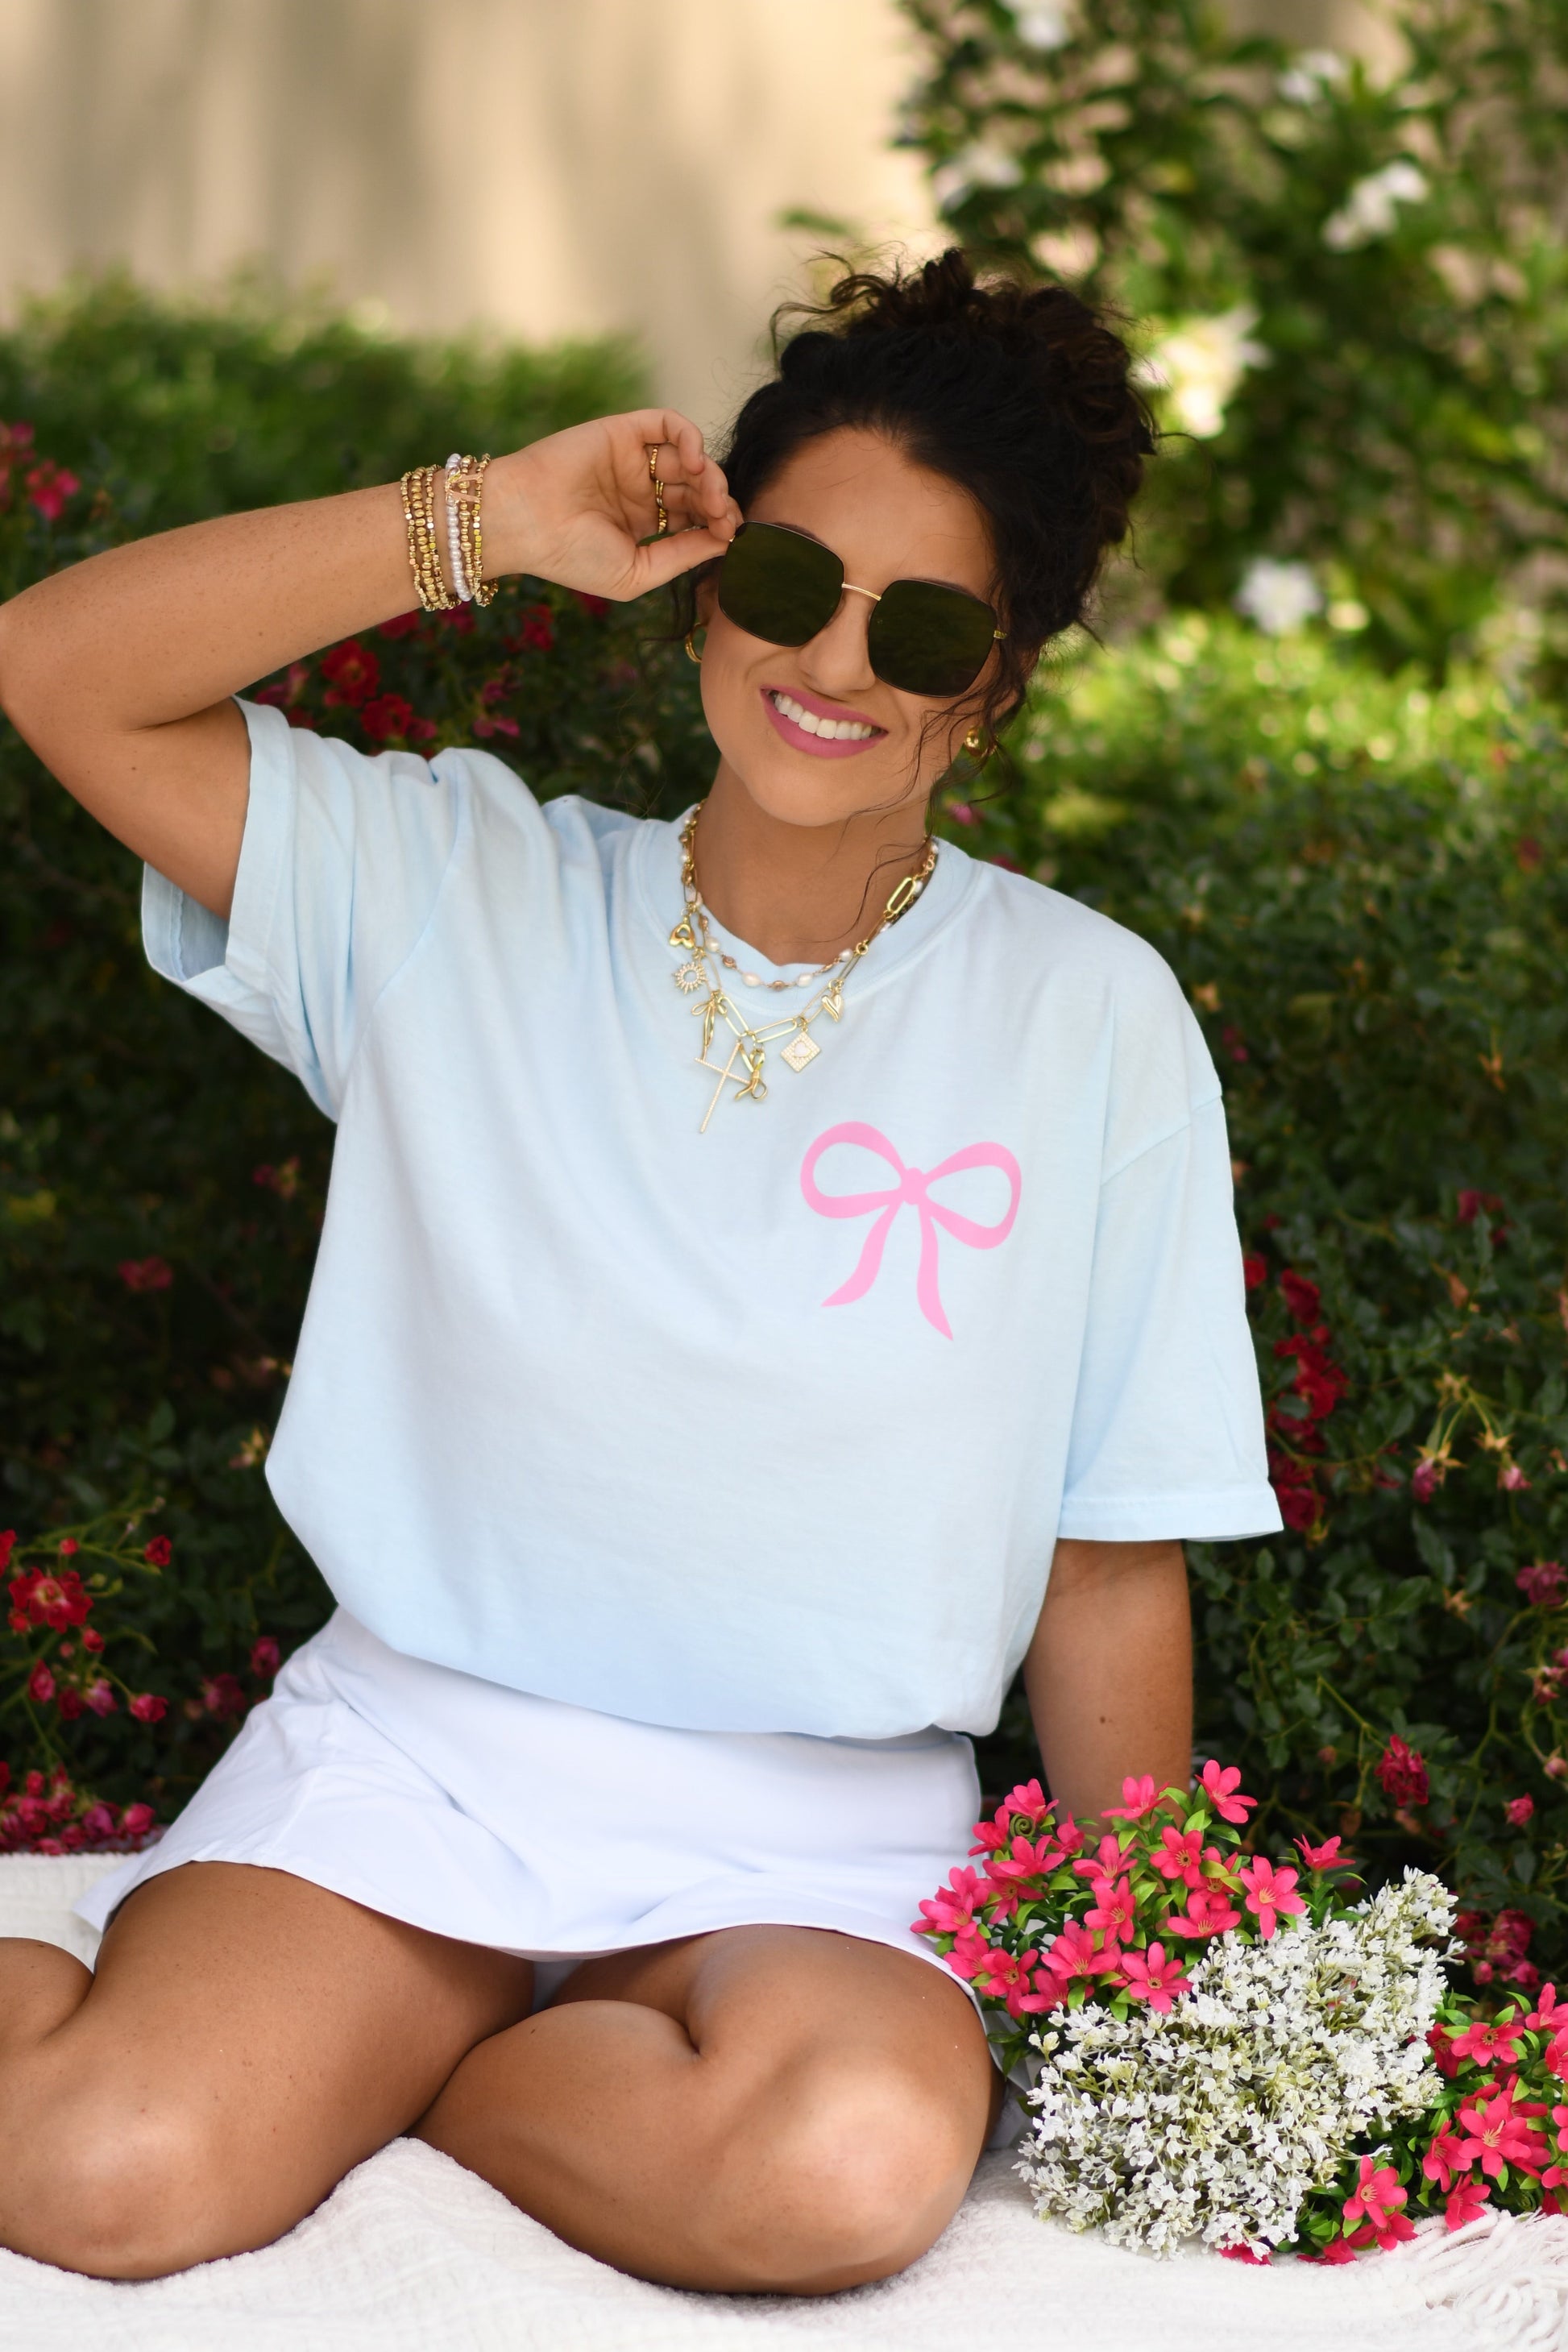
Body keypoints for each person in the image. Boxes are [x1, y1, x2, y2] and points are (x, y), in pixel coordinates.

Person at [0, 250, 1280, 2292]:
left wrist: (1156, 1978)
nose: (831, 659)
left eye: (920, 626)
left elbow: (1105, 1554)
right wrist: (493, 516)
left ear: (992, 685)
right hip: (420, 1768)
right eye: (786, 582)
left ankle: (427, 2075)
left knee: (841, 2170)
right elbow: (58, 666)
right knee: (107, 2166)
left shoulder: (1089, 1017)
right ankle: (341, 2032)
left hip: (817, 1845)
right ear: (703, 584)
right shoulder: (453, 887)